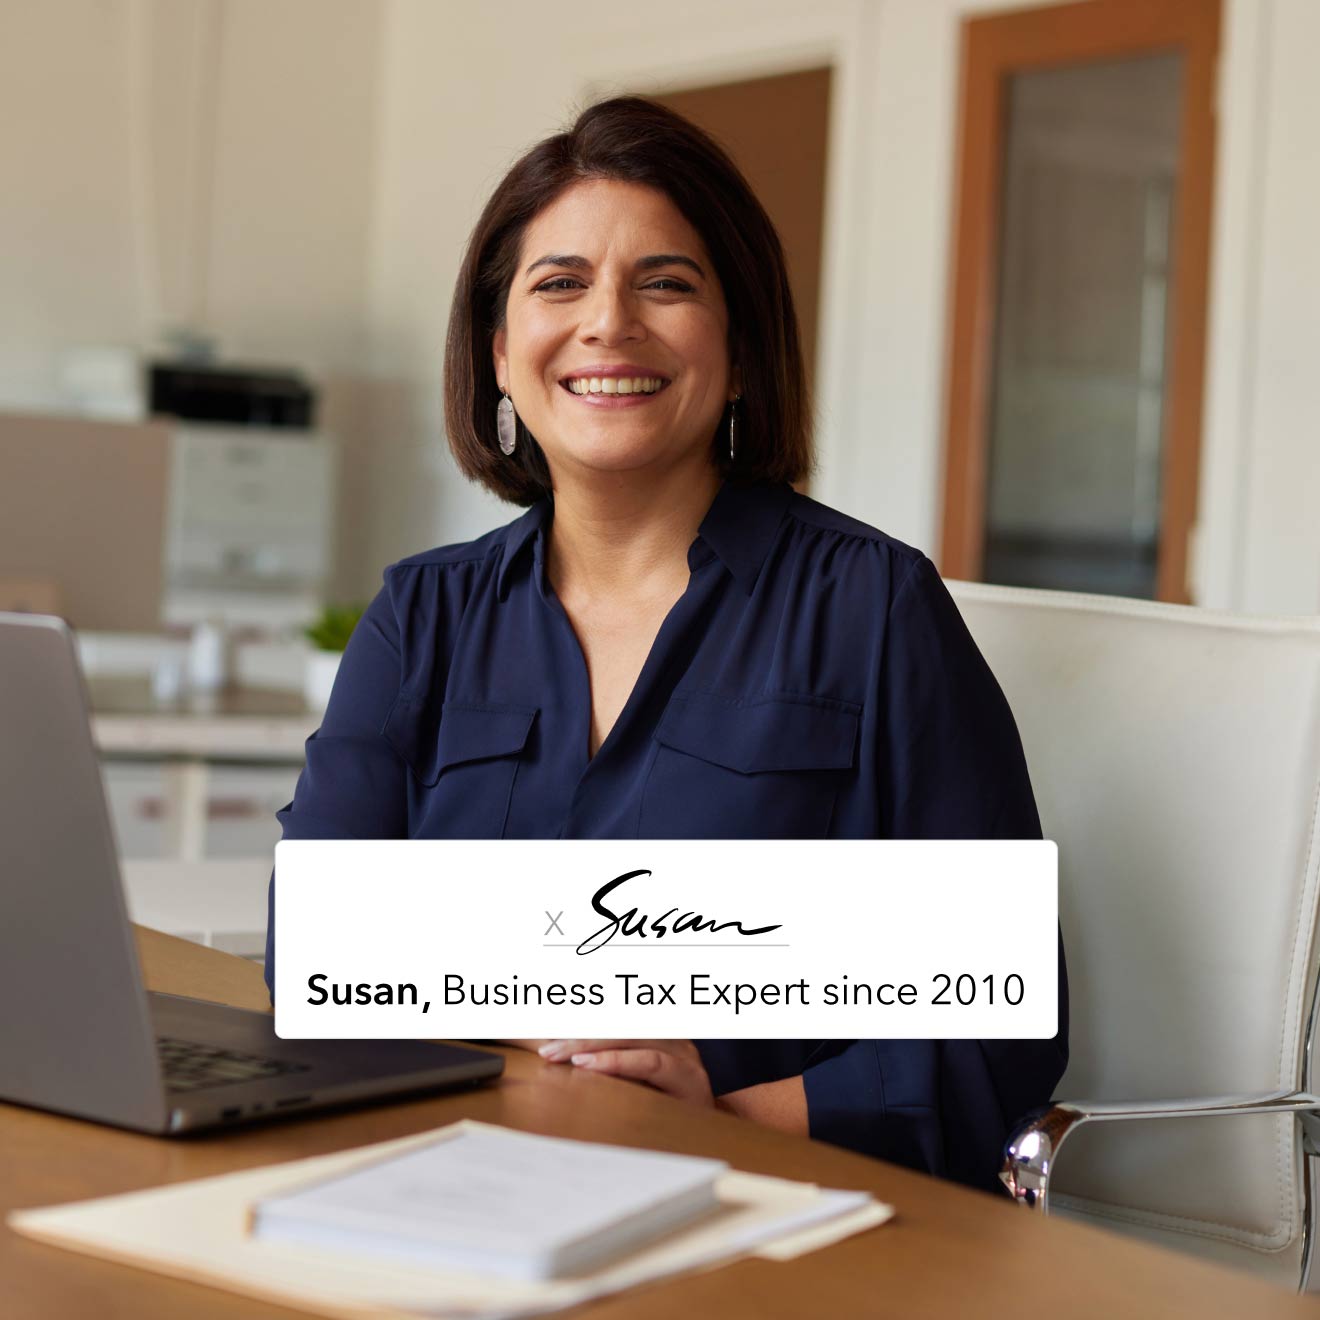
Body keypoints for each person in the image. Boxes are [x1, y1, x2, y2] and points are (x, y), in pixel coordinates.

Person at [264, 95, 1067, 1195]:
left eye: (667, 283)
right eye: (560, 283)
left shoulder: (876, 609)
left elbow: (999, 1029)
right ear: (500, 355)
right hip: (458, 1177)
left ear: (738, 353)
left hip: (769, 1211)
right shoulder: (422, 621)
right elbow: (325, 949)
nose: (608, 323)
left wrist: (724, 1105)